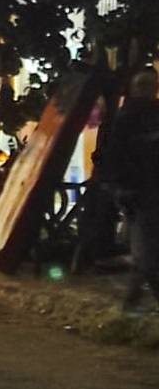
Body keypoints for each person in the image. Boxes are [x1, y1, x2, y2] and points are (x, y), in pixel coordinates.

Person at [99, 68, 159, 316]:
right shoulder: (127, 118)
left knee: (149, 253)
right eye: (142, 84)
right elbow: (115, 155)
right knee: (147, 254)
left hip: (148, 191)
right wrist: (119, 188)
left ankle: (135, 302)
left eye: (150, 84)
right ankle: (132, 303)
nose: (146, 89)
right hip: (139, 193)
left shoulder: (150, 114)